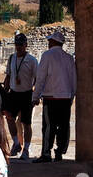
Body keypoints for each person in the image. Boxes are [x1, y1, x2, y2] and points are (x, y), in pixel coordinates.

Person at [32, 30, 76, 162]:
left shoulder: (47, 56)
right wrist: (72, 95)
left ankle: (46, 152)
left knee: (48, 126)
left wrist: (35, 96)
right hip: (65, 97)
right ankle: (60, 151)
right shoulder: (69, 58)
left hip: (50, 96)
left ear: (53, 42)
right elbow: (74, 79)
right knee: (64, 125)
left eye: (49, 40)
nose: (48, 43)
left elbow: (41, 78)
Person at [2, 32, 38, 159]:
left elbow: (37, 79)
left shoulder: (32, 60)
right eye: (17, 45)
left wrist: (36, 95)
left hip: (27, 94)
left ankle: (26, 149)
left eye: (21, 45)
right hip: (13, 93)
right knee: (9, 118)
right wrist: (4, 92)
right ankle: (16, 143)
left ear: (26, 45)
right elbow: (8, 75)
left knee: (26, 123)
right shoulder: (11, 58)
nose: (18, 47)